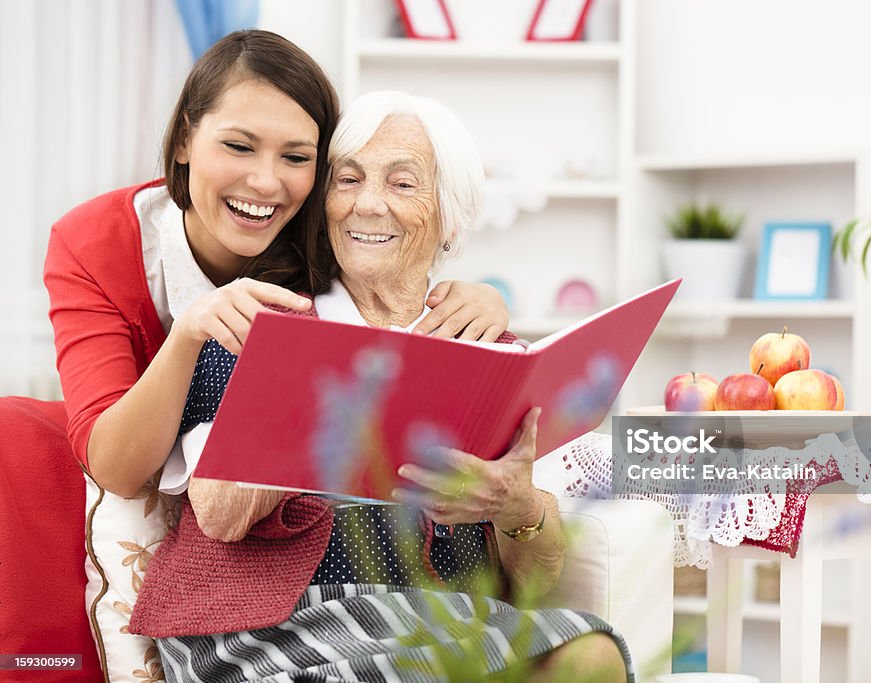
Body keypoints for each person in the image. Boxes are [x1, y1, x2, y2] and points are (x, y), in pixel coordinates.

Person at [127, 91, 632, 683]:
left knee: (591, 657)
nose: (367, 204)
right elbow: (217, 513)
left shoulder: (492, 353)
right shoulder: (259, 325)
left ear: (450, 215)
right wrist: (322, 403)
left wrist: (514, 504)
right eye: (348, 180)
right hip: (273, 625)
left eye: (402, 184)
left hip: (441, 624)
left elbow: (538, 574)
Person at [42, 31, 509, 502]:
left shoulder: (328, 226)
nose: (266, 182)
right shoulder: (94, 243)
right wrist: (189, 332)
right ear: (185, 138)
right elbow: (116, 471)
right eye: (239, 146)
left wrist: (477, 298)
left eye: (296, 157)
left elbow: (401, 283)